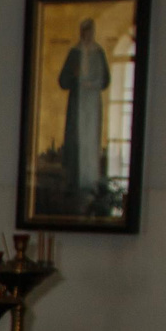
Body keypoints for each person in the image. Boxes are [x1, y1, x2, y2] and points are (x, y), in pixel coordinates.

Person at [58, 17, 109, 204]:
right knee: (77, 140)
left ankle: (91, 180)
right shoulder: (74, 53)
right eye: (85, 32)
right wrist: (75, 76)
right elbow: (63, 80)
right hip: (78, 103)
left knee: (90, 139)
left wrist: (92, 83)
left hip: (92, 102)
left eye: (90, 32)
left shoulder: (99, 52)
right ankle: (75, 183)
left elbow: (105, 80)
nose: (88, 35)